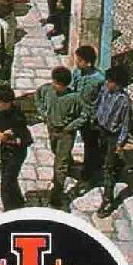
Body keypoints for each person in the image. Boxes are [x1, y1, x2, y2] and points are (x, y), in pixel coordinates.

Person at [35, 65, 89, 209]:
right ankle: (69, 165)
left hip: (66, 133)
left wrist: (71, 126)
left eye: (58, 84)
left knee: (60, 165)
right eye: (54, 83)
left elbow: (85, 115)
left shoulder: (75, 98)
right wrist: (42, 112)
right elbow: (38, 95)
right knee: (56, 152)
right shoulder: (47, 89)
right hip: (52, 129)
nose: (56, 86)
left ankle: (57, 194)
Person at [93, 65, 133, 216]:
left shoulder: (124, 101)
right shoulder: (104, 90)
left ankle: (108, 200)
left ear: (119, 84)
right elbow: (98, 103)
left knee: (108, 168)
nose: (107, 84)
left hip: (113, 136)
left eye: (110, 82)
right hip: (101, 130)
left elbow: (125, 125)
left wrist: (120, 144)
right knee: (102, 159)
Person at [0, 83, 33, 211]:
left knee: (7, 180)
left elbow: (20, 134)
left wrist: (10, 134)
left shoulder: (17, 117)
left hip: (17, 150)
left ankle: (9, 208)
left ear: (7, 103)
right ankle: (17, 201)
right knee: (9, 177)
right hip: (5, 148)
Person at [71, 43, 107, 183]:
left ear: (89, 62)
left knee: (90, 145)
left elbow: (102, 100)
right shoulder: (77, 73)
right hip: (77, 113)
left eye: (80, 60)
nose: (77, 62)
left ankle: (89, 172)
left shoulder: (99, 79)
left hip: (90, 117)